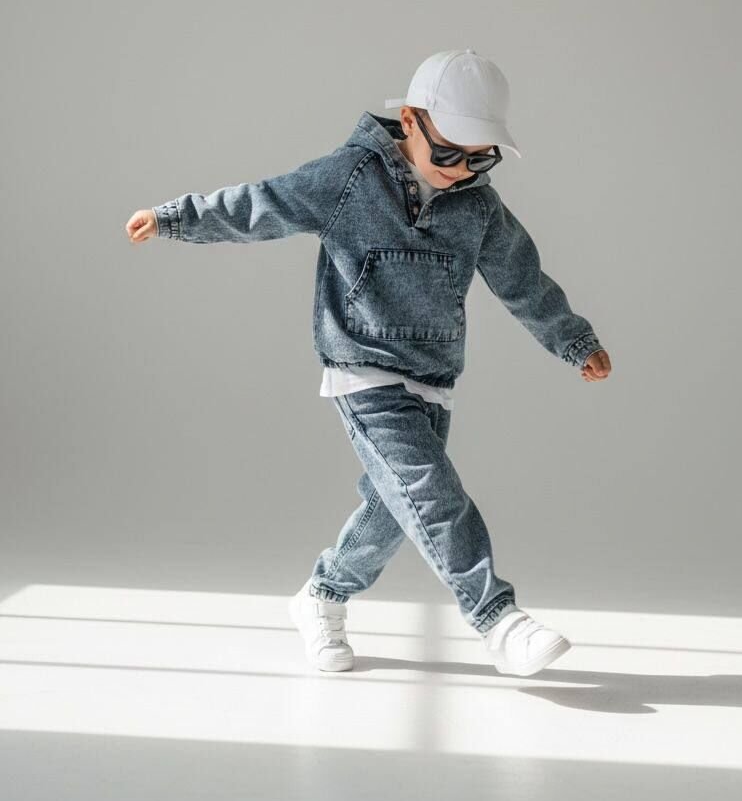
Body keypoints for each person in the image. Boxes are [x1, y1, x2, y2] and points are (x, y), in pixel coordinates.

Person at [125, 48, 612, 678]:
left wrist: (573, 340)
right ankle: (498, 620)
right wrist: (175, 218)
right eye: (449, 154)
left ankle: (322, 595)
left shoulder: (478, 209)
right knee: (431, 494)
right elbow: (264, 204)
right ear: (409, 121)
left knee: (394, 510)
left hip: (433, 378)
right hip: (363, 369)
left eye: (480, 158)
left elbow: (523, 281)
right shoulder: (350, 179)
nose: (462, 171)